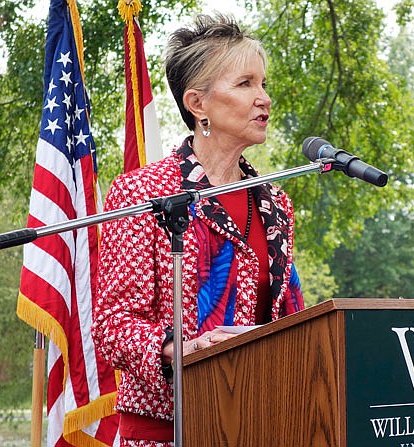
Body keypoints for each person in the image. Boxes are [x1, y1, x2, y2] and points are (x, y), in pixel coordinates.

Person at [92, 13, 305, 446]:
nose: (263, 98)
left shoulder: (276, 204)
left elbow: (291, 321)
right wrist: (184, 349)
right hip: (167, 430)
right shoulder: (142, 192)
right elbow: (113, 325)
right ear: (198, 103)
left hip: (258, 424)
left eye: (263, 84)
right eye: (245, 84)